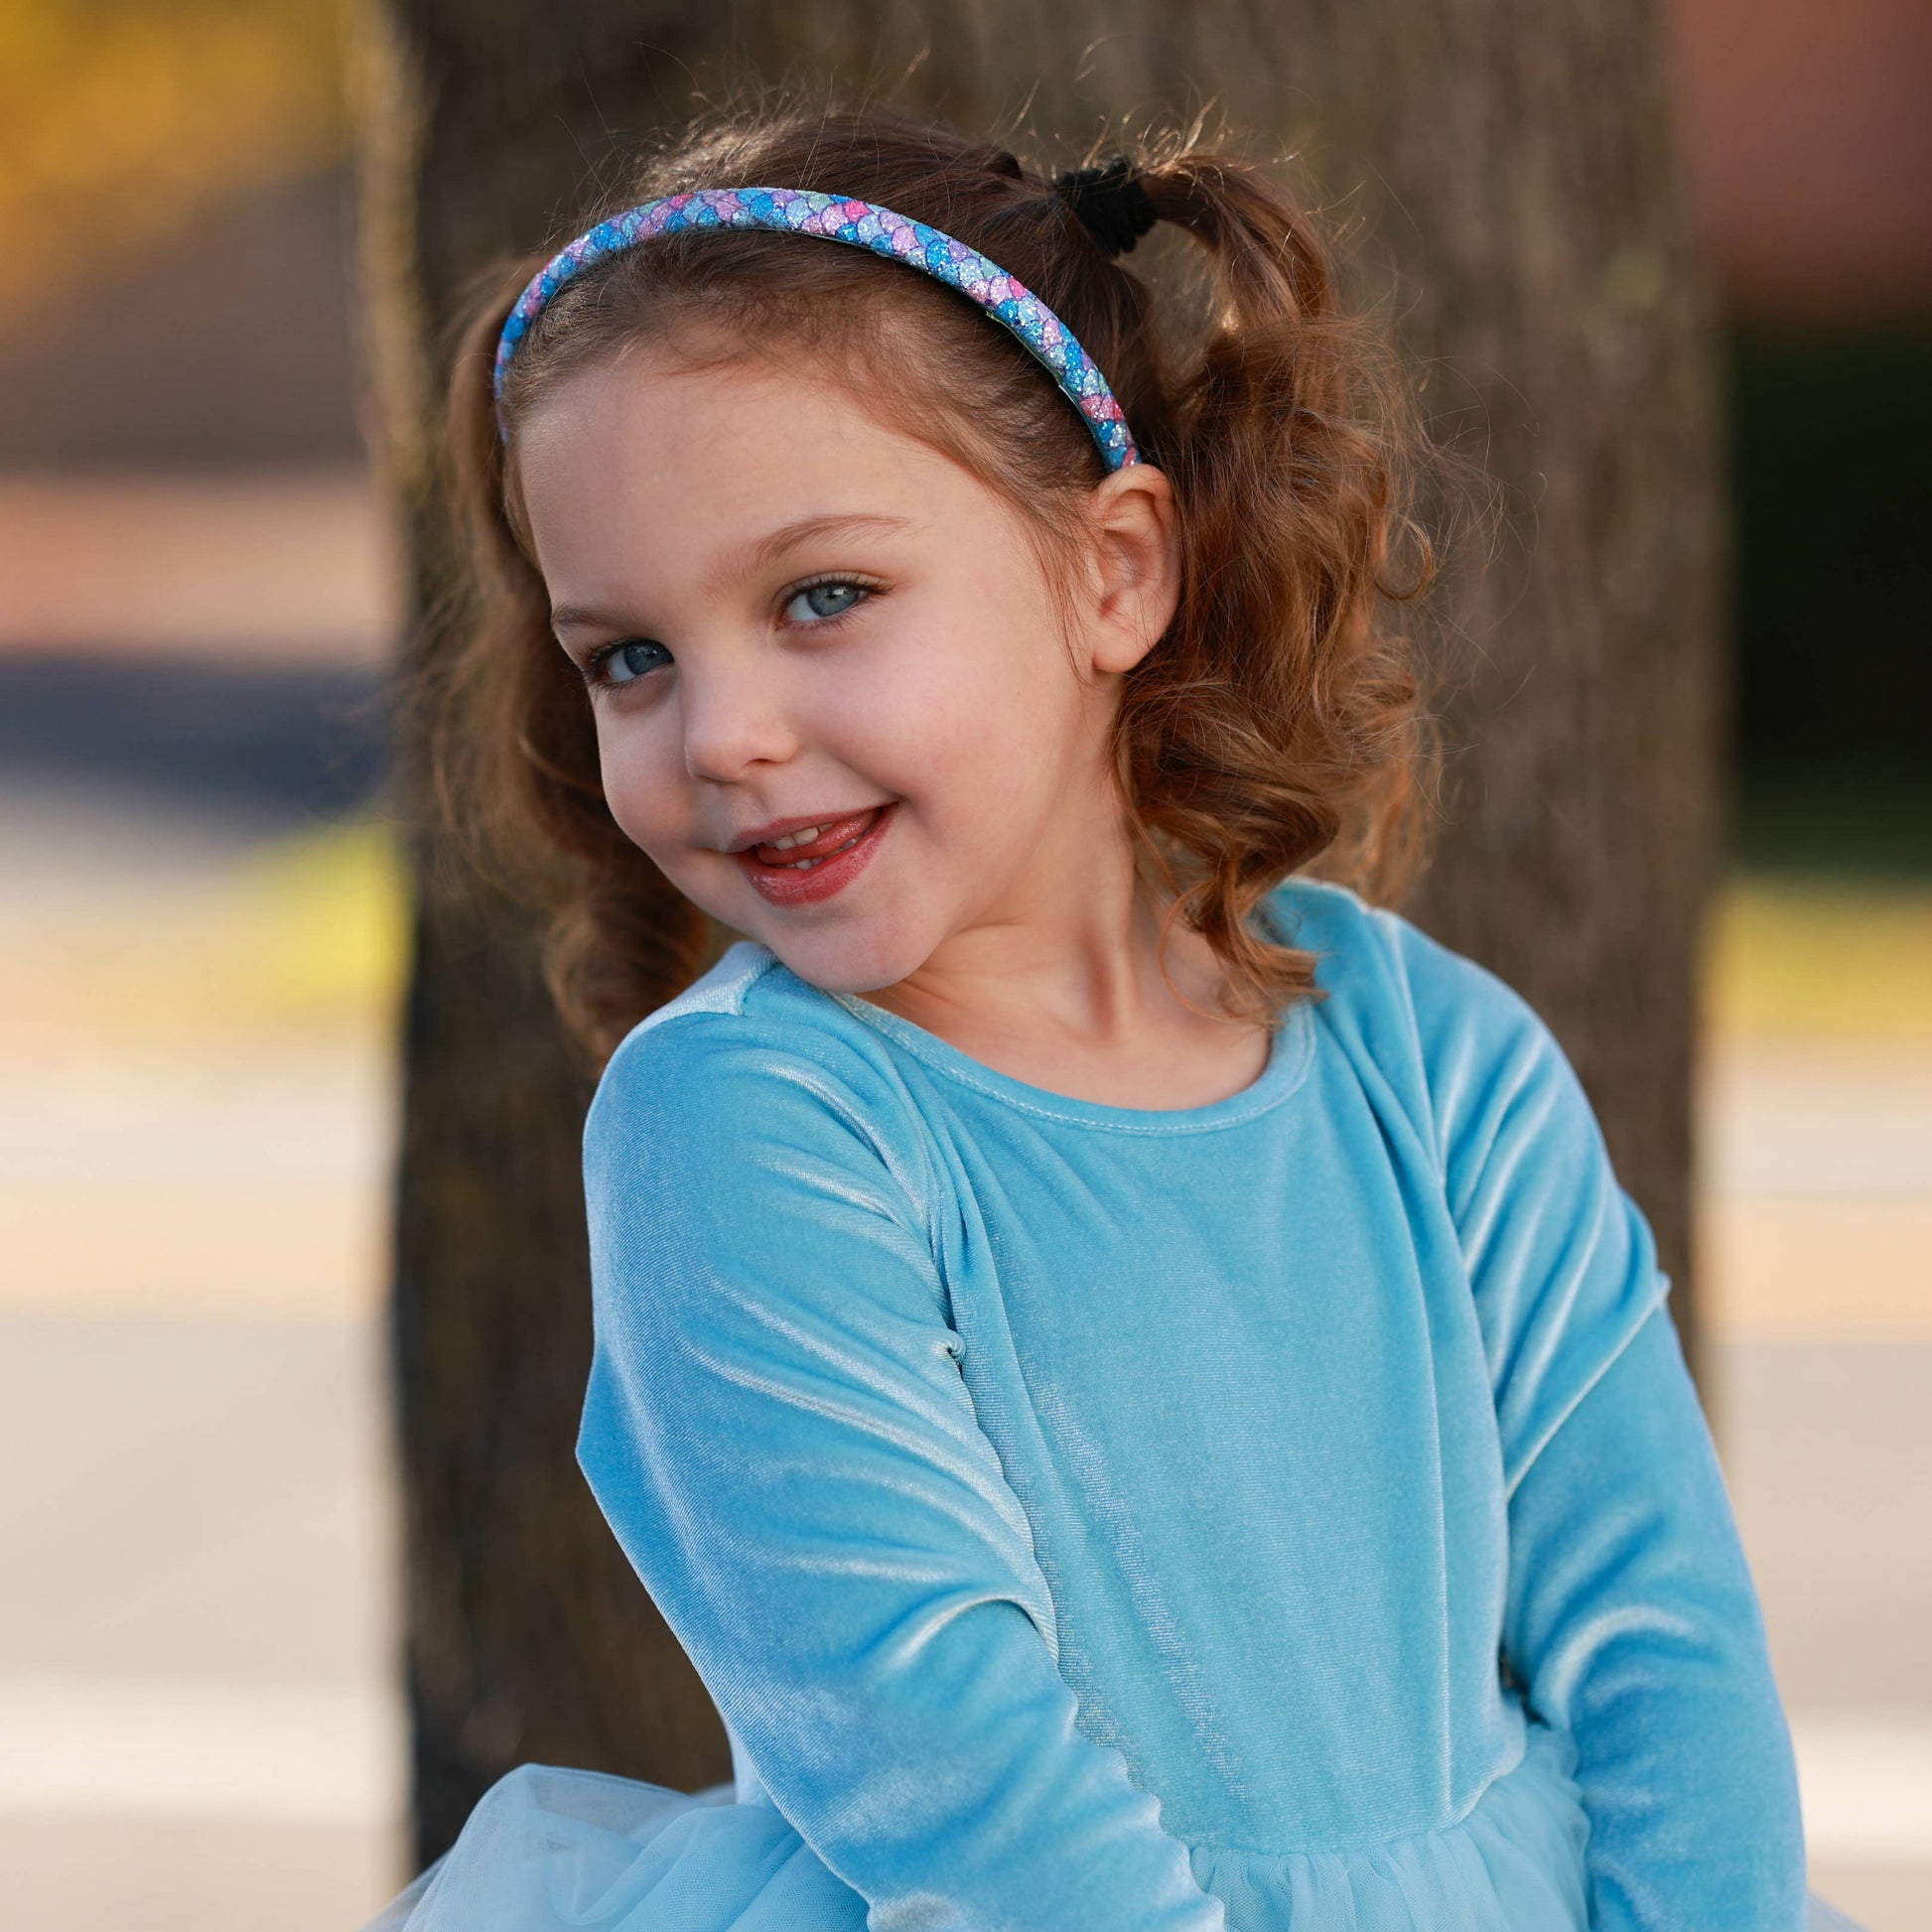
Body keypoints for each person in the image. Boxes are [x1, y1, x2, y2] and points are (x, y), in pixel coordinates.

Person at [367, 104, 1856, 1932]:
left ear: (1113, 571)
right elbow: (947, 1754)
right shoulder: (743, 1128)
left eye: (822, 597)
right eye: (630, 657)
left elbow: (1661, 1634)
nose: (722, 732)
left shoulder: (1432, 1061)